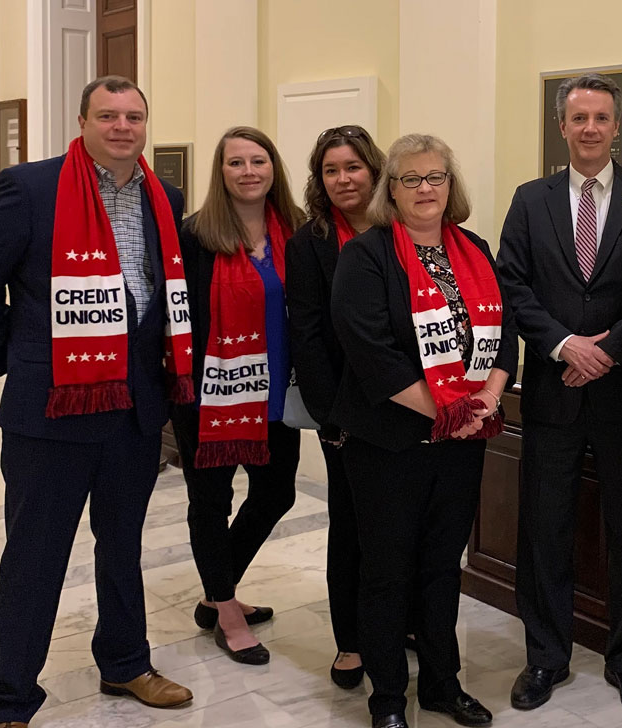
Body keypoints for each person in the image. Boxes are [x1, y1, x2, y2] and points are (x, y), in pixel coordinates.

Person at [0, 75, 194, 727]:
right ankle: (11, 699)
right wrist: (15, 356)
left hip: (133, 412)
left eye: (134, 116)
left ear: (146, 124)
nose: (122, 127)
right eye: (107, 115)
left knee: (122, 547)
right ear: (82, 121)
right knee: (34, 556)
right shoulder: (30, 188)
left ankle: (126, 663)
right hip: (48, 413)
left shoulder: (164, 198)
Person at [497, 72, 622, 718]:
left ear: (616, 126)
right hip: (551, 390)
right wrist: (563, 345)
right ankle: (545, 655)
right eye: (580, 118)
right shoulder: (530, 199)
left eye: (602, 117)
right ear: (563, 126)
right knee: (545, 528)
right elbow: (511, 284)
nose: (591, 128)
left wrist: (604, 350)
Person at [330, 133, 516, 728]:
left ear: (450, 185)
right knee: (387, 572)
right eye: (411, 179)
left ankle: (441, 684)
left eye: (435, 177)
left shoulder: (475, 249)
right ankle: (388, 700)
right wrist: (449, 412)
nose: (425, 188)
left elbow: (503, 334)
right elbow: (373, 355)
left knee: (441, 567)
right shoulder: (367, 256)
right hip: (389, 445)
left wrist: (485, 399)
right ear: (392, 189)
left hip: (460, 446)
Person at [171, 126, 306, 665]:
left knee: (277, 494)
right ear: (220, 172)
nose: (249, 171)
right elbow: (175, 315)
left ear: (274, 168)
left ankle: (214, 588)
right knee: (210, 501)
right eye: (236, 163)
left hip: (281, 392)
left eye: (259, 161)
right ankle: (226, 608)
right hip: (211, 395)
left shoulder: (297, 233)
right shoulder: (194, 236)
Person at [286, 124, 387, 688]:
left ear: (374, 170)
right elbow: (305, 332)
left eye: (353, 167)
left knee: (399, 523)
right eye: (331, 170)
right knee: (350, 523)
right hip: (345, 411)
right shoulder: (310, 243)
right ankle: (350, 640)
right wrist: (330, 416)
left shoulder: (403, 228)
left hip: (409, 405)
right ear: (319, 181)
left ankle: (400, 624)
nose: (343, 178)